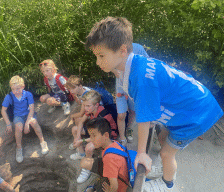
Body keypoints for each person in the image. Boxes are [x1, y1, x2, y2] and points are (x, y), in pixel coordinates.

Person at [85, 16, 223, 191]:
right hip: (189, 105)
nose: (97, 62)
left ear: (122, 50)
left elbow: (144, 118)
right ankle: (165, 169)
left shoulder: (140, 78)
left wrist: (141, 154)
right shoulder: (135, 65)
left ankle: (167, 184)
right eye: (96, 56)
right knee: (164, 137)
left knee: (166, 153)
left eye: (101, 55)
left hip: (195, 114)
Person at [70, 90, 117, 184]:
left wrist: (82, 140)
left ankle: (87, 169)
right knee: (75, 129)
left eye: (88, 106)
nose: (85, 108)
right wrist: (78, 137)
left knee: (89, 147)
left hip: (107, 136)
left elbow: (98, 137)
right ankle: (81, 153)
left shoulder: (103, 116)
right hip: (95, 131)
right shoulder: (91, 110)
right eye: (84, 105)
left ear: (96, 105)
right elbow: (81, 122)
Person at [1, 75, 49, 163]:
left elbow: (31, 109)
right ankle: (19, 148)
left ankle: (42, 142)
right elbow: (3, 110)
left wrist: (27, 123)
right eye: (13, 89)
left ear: (23, 86)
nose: (16, 91)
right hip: (18, 116)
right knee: (18, 127)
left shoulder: (28, 95)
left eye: (18, 88)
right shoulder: (9, 96)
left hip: (28, 114)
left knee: (33, 122)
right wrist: (8, 123)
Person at [113, 43, 149, 145]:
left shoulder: (138, 48)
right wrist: (114, 70)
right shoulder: (113, 47)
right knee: (121, 115)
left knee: (133, 112)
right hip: (121, 90)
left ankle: (128, 129)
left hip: (134, 89)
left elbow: (147, 62)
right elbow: (106, 63)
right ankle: (122, 138)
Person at [80, 117, 129, 192]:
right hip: (120, 173)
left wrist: (110, 190)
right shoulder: (113, 143)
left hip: (119, 187)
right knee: (84, 162)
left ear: (106, 135)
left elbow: (114, 185)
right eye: (90, 136)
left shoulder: (109, 158)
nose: (91, 139)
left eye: (94, 135)